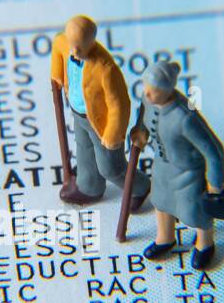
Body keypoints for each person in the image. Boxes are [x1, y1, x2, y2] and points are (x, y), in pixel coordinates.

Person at [129, 59, 224, 269]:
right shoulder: (148, 101)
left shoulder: (185, 117)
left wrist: (216, 186)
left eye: (152, 90)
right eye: (145, 88)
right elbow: (142, 118)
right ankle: (165, 238)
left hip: (187, 172)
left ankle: (205, 243)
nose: (146, 94)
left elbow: (214, 151)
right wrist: (140, 132)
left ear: (167, 91)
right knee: (161, 203)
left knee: (195, 209)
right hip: (162, 166)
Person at [50, 15, 150, 209]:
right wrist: (56, 74)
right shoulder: (64, 42)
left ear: (91, 42)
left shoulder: (106, 69)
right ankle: (89, 187)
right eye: (72, 45)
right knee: (84, 150)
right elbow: (57, 48)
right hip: (79, 114)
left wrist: (113, 134)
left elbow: (119, 104)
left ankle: (140, 187)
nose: (74, 51)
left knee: (110, 167)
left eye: (80, 46)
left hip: (101, 124)